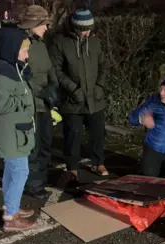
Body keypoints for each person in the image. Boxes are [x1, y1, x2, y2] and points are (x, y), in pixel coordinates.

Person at [49, 8, 109, 180]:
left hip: (95, 99)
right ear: (74, 27)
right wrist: (73, 89)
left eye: (89, 28)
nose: (87, 32)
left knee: (98, 134)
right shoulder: (60, 42)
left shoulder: (95, 42)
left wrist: (99, 86)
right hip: (72, 100)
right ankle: (72, 166)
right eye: (84, 29)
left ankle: (98, 162)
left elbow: (104, 66)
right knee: (72, 136)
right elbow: (56, 70)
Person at [0, 27, 37, 232]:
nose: (27, 55)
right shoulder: (3, 73)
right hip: (12, 134)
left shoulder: (10, 67)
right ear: (11, 49)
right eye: (24, 50)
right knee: (20, 172)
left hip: (14, 132)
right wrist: (26, 101)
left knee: (12, 170)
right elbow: (2, 104)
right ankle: (11, 218)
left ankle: (11, 207)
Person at [17, 5, 58, 200]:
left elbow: (50, 71)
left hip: (44, 104)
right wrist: (38, 93)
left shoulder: (41, 45)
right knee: (32, 148)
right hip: (30, 105)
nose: (47, 28)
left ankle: (40, 179)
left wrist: (53, 89)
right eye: (44, 24)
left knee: (45, 144)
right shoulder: (21, 45)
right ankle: (33, 185)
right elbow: (19, 77)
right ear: (33, 24)